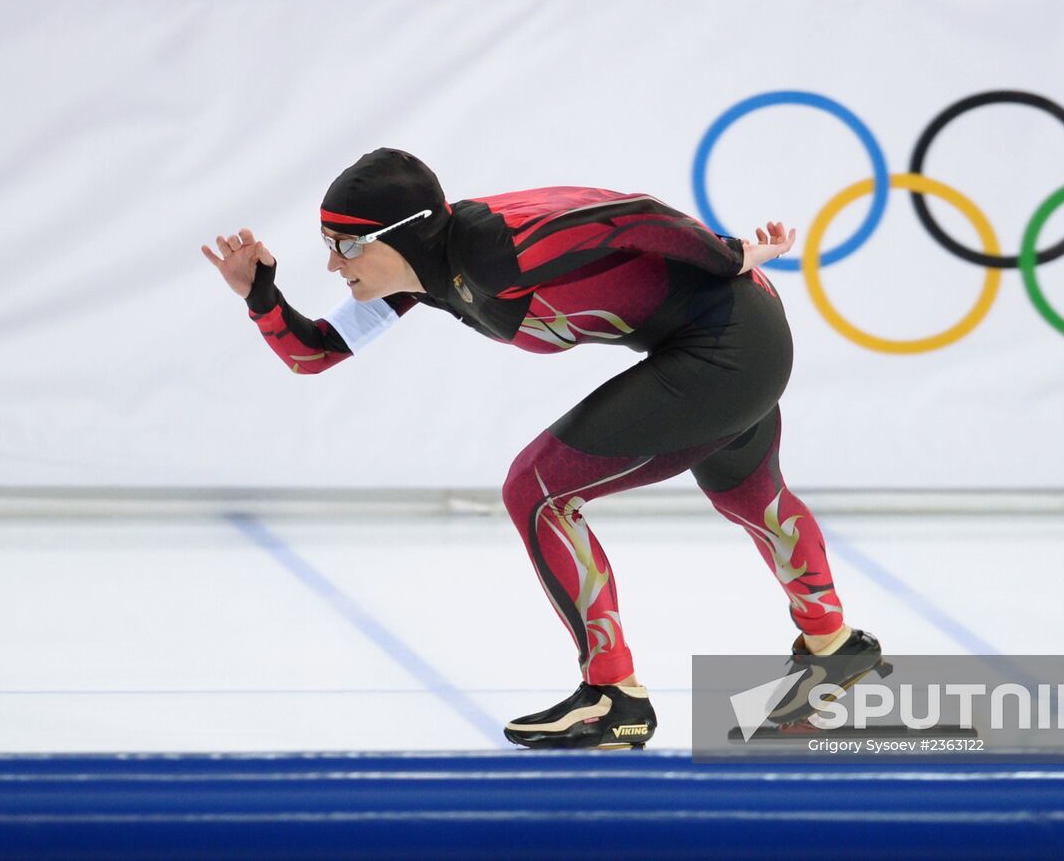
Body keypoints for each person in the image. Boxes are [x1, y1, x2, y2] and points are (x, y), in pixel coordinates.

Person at [202, 148, 888, 749]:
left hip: (731, 340)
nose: (332, 263)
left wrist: (729, 253)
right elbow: (315, 353)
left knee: (535, 489)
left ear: (404, 234)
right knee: (749, 495)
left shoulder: (492, 247)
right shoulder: (424, 277)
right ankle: (834, 646)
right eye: (328, 243)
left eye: (348, 245)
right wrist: (260, 294)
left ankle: (613, 696)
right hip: (733, 336)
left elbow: (633, 216)